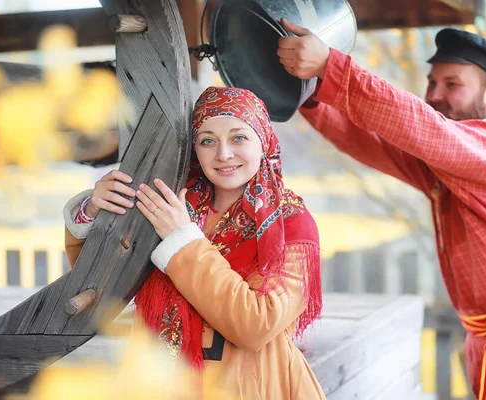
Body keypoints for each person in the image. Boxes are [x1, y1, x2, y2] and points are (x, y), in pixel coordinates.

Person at [277, 19, 486, 400]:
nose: (436, 94)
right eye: (431, 83)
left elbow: (422, 127)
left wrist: (332, 66)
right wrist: (311, 93)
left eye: (452, 84)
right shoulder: (448, 164)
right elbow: (369, 140)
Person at [62, 86, 326, 399]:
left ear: (264, 139)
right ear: (194, 148)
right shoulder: (168, 203)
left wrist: (182, 242)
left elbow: (257, 323)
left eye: (239, 137)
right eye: (207, 140)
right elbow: (97, 286)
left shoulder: (291, 222)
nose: (223, 154)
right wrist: (93, 212)